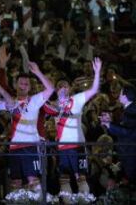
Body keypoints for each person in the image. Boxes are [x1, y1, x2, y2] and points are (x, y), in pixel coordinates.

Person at [54, 58, 102, 202]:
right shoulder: (52, 106)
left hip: (78, 146)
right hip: (61, 148)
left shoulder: (77, 99)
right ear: (56, 90)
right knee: (64, 180)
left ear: (69, 89)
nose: (62, 88)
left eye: (65, 86)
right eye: (59, 86)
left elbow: (94, 90)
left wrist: (97, 72)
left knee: (81, 178)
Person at [7, 62, 54, 193]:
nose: (23, 86)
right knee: (15, 183)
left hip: (30, 146)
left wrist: (38, 72)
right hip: (13, 147)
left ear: (30, 87)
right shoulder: (10, 101)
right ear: (15, 85)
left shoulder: (35, 100)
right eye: (21, 83)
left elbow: (50, 89)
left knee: (33, 181)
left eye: (26, 84)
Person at [100, 85, 136, 185]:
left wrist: (109, 124)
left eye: (120, 93)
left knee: (131, 182)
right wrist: (110, 123)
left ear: (125, 96)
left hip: (130, 153)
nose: (119, 96)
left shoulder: (132, 110)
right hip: (127, 152)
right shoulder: (129, 109)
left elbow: (128, 132)